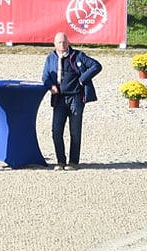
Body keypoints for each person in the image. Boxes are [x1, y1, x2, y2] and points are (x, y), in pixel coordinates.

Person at [41, 33, 103, 169]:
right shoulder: (51, 58)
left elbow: (96, 66)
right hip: (59, 99)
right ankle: (60, 161)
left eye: (64, 42)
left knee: (75, 131)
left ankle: (73, 162)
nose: (62, 45)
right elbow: (45, 77)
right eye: (59, 42)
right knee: (56, 131)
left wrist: (83, 79)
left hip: (76, 98)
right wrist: (51, 86)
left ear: (68, 42)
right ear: (54, 44)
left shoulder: (78, 56)